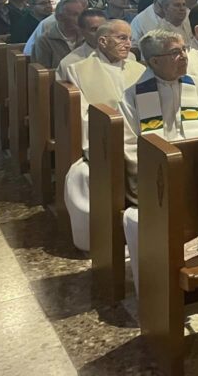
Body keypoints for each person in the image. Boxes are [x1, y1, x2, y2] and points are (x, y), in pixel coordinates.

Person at [121, 30, 198, 292]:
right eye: (174, 52)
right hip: (159, 177)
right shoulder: (133, 95)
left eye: (183, 50)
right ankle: (164, 272)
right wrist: (158, 171)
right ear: (154, 61)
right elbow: (130, 144)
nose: (183, 57)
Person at [60, 20, 144, 251]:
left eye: (129, 38)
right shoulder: (78, 70)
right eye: (121, 38)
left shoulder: (138, 68)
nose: (128, 44)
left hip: (141, 133)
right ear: (103, 41)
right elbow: (84, 116)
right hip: (109, 138)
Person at [33, 0, 87, 69]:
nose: (81, 19)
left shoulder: (87, 36)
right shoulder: (45, 41)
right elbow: (43, 73)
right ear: (59, 17)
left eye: (82, 15)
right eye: (75, 15)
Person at [57, 8, 110, 77]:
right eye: (94, 30)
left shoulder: (124, 57)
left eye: (103, 29)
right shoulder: (70, 64)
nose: (100, 34)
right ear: (82, 31)